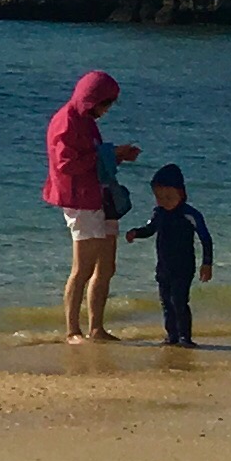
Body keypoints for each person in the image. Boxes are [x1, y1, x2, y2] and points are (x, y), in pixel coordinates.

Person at [45, 67, 141, 342]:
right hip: (80, 200)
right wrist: (111, 153)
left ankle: (96, 328)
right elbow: (66, 164)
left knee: (106, 267)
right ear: (91, 99)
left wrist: (117, 156)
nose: (107, 110)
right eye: (105, 103)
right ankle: (72, 330)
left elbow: (93, 159)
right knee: (83, 268)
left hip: (101, 197)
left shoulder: (87, 120)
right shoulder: (66, 122)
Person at [127, 165, 215, 347]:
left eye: (168, 197)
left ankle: (185, 337)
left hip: (184, 266)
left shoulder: (190, 214)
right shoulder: (158, 213)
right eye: (159, 197)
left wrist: (207, 263)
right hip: (164, 266)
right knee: (166, 302)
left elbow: (205, 238)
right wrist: (136, 233)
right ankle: (171, 336)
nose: (163, 201)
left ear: (181, 193)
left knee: (179, 301)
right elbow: (150, 229)